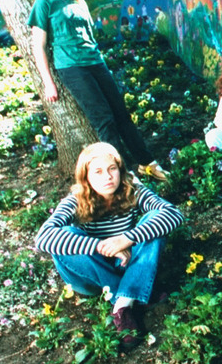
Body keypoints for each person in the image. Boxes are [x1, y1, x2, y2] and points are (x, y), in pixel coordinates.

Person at [28, 0, 168, 181]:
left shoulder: (76, 1)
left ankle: (147, 163)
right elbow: (38, 46)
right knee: (104, 120)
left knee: (122, 114)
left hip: (96, 62)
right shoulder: (44, 3)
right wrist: (48, 82)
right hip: (73, 68)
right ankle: (123, 174)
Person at [35, 142, 184, 350]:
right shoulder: (75, 200)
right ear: (85, 177)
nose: (107, 177)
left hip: (126, 262)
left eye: (112, 169)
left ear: (120, 170)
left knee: (154, 221)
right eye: (98, 172)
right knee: (66, 235)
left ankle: (123, 306)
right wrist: (99, 245)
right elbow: (42, 238)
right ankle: (135, 292)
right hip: (91, 275)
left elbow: (173, 214)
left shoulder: (132, 189)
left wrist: (126, 239)